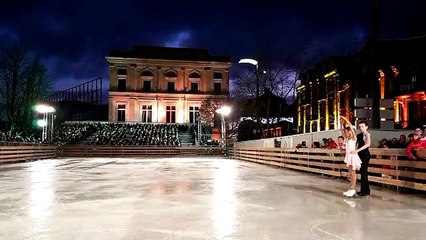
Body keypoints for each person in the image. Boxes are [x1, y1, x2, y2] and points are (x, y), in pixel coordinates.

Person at [340, 116, 362, 197]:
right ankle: (350, 188)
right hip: (349, 156)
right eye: (346, 132)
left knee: (353, 173)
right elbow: (341, 130)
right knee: (350, 173)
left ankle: (353, 189)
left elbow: (351, 129)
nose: (346, 133)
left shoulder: (353, 138)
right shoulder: (347, 139)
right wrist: (341, 123)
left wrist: (345, 119)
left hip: (353, 156)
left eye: (347, 131)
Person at [353, 120, 371, 197]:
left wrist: (358, 150)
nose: (361, 128)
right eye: (360, 127)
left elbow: (368, 144)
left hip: (365, 155)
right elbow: (354, 142)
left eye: (362, 126)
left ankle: (364, 191)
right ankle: (366, 190)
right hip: (360, 155)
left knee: (364, 173)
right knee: (363, 173)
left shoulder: (367, 134)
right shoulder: (359, 135)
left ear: (366, 127)